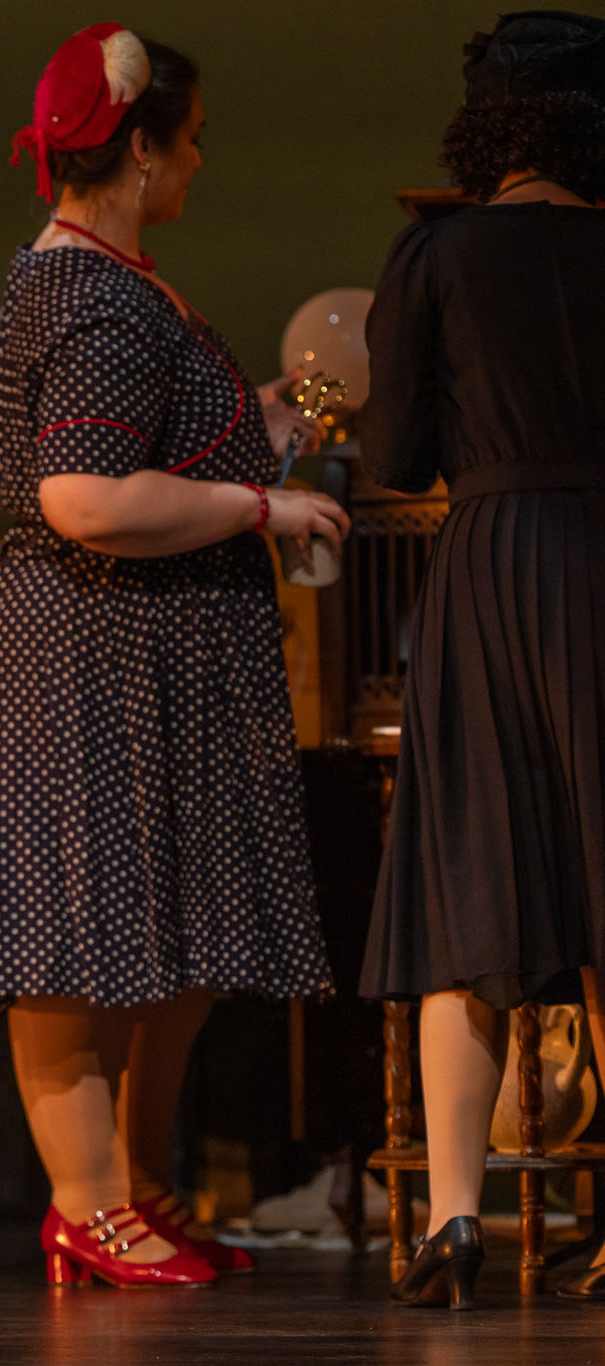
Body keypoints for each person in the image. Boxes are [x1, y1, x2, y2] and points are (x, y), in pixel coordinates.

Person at [0, 22, 346, 1289]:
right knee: (70, 933)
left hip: (143, 648)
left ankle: (134, 1181)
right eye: (191, 140)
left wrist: (268, 419)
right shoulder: (89, 294)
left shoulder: (112, 280)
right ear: (142, 151)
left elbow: (149, 447)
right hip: (86, 648)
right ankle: (84, 1204)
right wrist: (260, 507)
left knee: (157, 944)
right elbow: (85, 495)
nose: (199, 162)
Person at [358, 10, 605, 1312]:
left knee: (470, 885)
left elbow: (394, 456)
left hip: (489, 569)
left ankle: (455, 1216)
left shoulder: (437, 255)